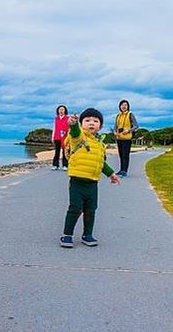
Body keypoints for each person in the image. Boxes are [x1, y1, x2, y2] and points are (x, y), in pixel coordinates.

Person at [60, 108, 121, 248]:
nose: (91, 123)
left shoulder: (100, 145)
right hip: (77, 181)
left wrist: (111, 174)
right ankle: (67, 235)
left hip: (92, 183)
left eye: (95, 121)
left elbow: (101, 163)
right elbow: (74, 132)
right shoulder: (79, 137)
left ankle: (87, 234)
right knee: (75, 208)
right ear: (82, 124)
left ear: (100, 126)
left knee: (91, 210)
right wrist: (73, 124)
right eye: (87, 120)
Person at [114, 99, 138, 177]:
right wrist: (114, 132)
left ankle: (125, 171)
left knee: (125, 155)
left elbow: (136, 126)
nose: (124, 106)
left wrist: (128, 131)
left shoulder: (130, 114)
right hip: (119, 138)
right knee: (121, 155)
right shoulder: (118, 115)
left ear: (128, 106)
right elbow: (116, 126)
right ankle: (121, 170)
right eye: (122, 105)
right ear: (119, 106)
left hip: (127, 138)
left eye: (125, 105)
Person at [51, 105, 69, 170]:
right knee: (57, 152)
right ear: (58, 111)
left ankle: (65, 165)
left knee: (65, 152)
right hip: (57, 137)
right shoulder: (56, 118)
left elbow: (70, 128)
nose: (61, 111)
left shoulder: (68, 118)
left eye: (62, 109)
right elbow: (54, 128)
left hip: (65, 137)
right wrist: (52, 137)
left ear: (65, 111)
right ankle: (55, 165)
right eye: (60, 109)